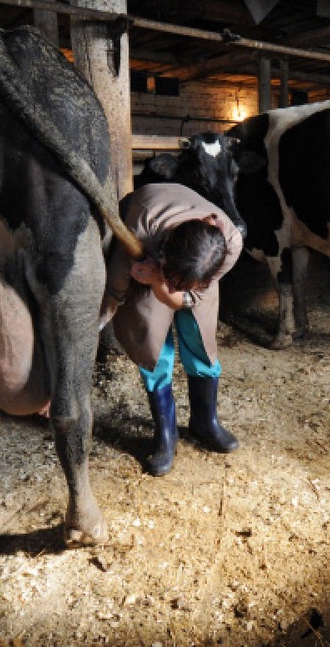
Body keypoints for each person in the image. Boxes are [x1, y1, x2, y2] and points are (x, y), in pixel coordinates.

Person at [103, 182, 243, 476]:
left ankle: (205, 422)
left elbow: (192, 298)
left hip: (187, 269)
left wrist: (178, 288)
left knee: (200, 339)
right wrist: (148, 283)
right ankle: (165, 434)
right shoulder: (142, 228)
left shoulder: (229, 243)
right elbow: (116, 284)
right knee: (152, 342)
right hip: (144, 257)